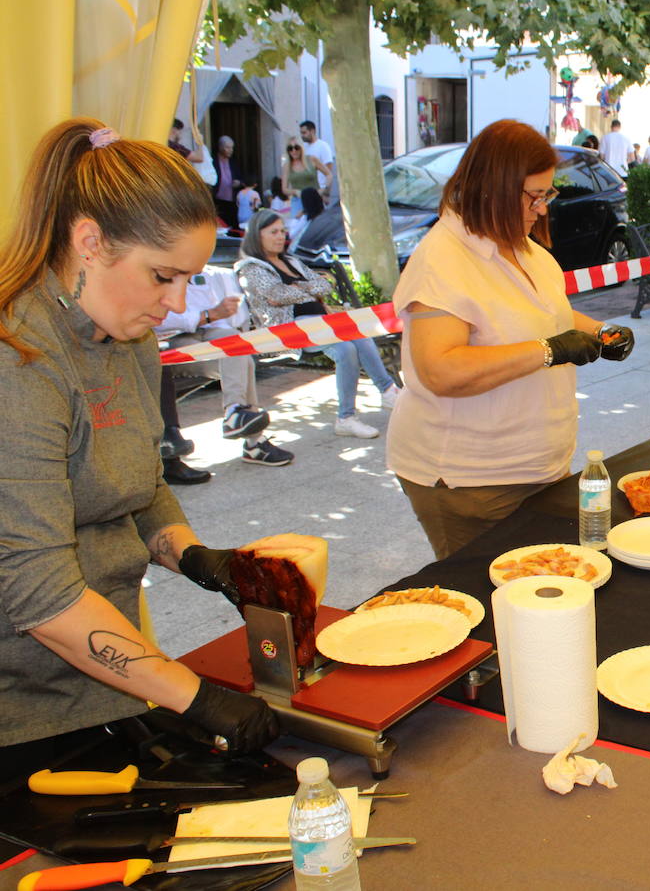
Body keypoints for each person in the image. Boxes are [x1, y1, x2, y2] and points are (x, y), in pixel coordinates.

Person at [0, 117, 278, 760]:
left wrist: (196, 558)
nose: (178, 303)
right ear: (89, 241)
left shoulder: (127, 339)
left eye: (189, 279)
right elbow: (39, 592)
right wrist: (194, 696)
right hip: (22, 711)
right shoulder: (20, 359)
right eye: (163, 277)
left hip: (99, 686)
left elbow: (140, 484)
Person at [386, 119, 636, 560]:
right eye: (534, 196)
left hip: (538, 469)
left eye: (547, 194)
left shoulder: (523, 248)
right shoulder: (443, 260)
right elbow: (440, 370)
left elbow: (545, 313)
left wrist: (598, 331)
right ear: (493, 189)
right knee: (493, 604)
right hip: (471, 480)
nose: (542, 209)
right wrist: (549, 351)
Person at [237, 210, 400, 439]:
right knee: (347, 339)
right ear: (257, 234)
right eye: (273, 231)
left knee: (351, 341)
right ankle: (370, 402)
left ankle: (367, 405)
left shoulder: (291, 261)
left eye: (283, 231)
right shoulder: (250, 268)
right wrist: (306, 289)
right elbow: (275, 294)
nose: (280, 236)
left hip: (321, 323)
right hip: (288, 330)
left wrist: (298, 289)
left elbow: (325, 286)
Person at [156, 265, 294, 472]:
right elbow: (159, 320)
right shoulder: (159, 273)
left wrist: (221, 316)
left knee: (237, 346)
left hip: (203, 334)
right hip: (169, 344)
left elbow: (216, 321)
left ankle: (234, 411)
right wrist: (208, 315)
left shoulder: (206, 275)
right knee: (236, 353)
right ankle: (252, 441)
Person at [282, 136, 326, 217]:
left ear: (301, 148)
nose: (294, 151)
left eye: (296, 147)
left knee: (318, 226)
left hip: (314, 199)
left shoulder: (312, 159)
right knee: (299, 227)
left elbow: (329, 174)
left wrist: (324, 191)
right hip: (298, 201)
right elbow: (284, 189)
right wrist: (295, 191)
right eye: (290, 148)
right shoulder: (287, 166)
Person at [208, 135, 241, 229]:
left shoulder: (234, 162)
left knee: (233, 226)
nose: (230, 150)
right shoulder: (212, 161)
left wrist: (238, 182)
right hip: (217, 201)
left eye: (232, 147)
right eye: (227, 147)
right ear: (220, 147)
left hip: (232, 201)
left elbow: (241, 178)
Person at [298, 120, 335, 202]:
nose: (302, 135)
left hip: (320, 191)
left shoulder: (323, 146)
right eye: (301, 133)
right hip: (308, 191)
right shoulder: (305, 148)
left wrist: (326, 193)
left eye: (304, 133)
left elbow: (329, 170)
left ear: (312, 131)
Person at [287, 187, 325, 253]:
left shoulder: (305, 219)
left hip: (302, 251)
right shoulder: (325, 215)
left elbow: (291, 234)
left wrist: (296, 219)